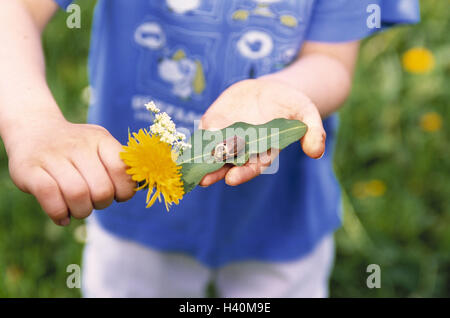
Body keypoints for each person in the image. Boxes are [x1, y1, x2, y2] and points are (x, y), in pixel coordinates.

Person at [0, 0, 420, 297]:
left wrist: (278, 92)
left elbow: (331, 61)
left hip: (279, 221)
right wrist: (30, 119)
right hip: (135, 212)